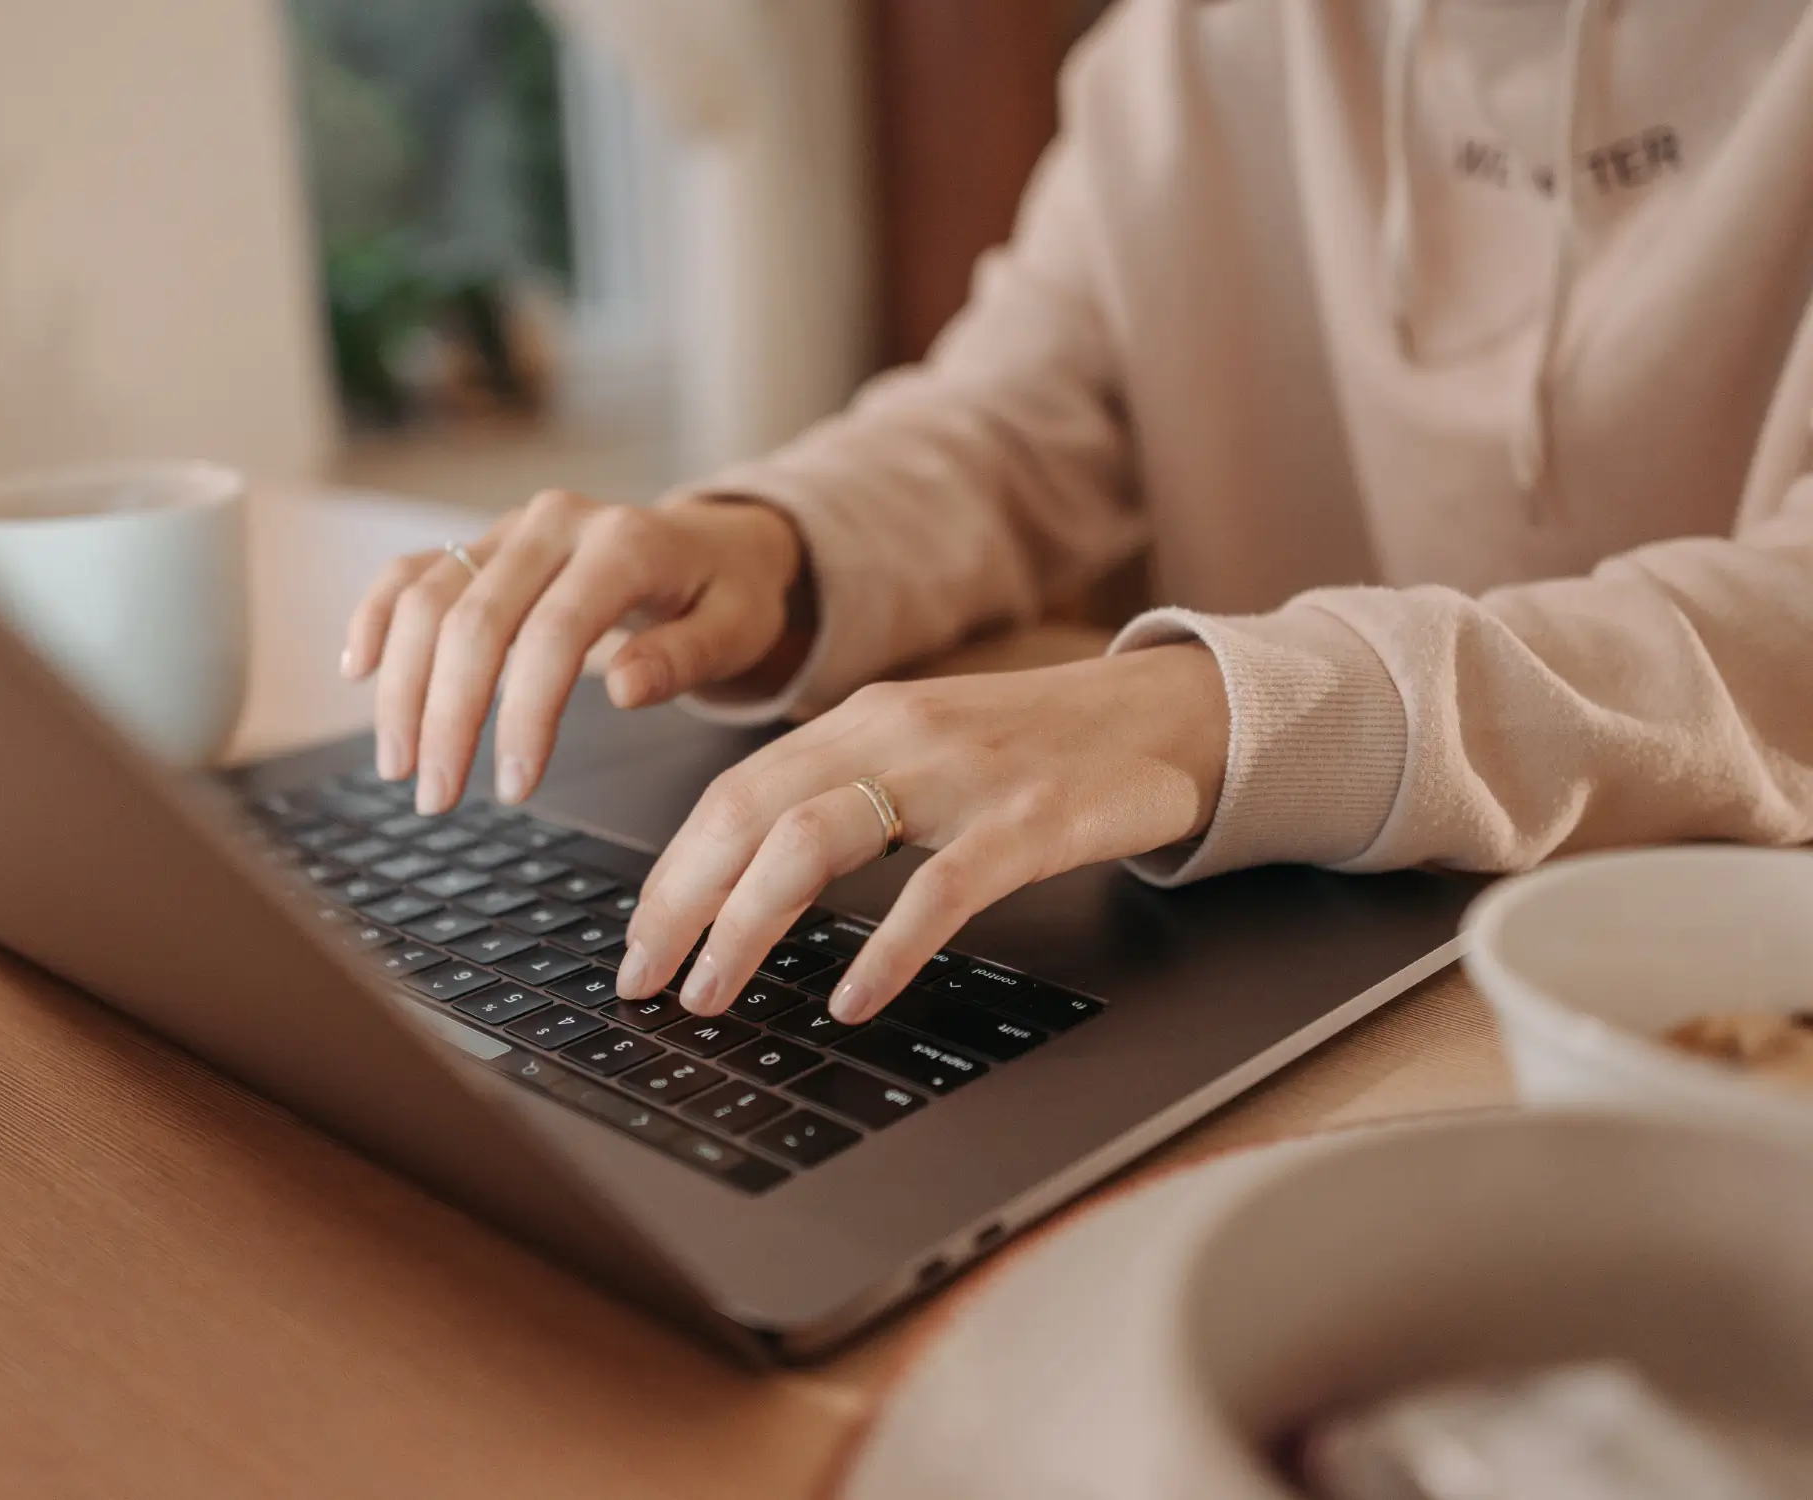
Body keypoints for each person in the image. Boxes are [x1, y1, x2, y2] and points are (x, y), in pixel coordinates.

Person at [342, 0, 1813, 1030]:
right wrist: (768, 544)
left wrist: (1215, 716)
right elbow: (1007, 424)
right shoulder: (1180, 56)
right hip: (1274, 961)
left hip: (1716, 999)